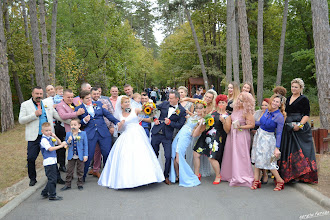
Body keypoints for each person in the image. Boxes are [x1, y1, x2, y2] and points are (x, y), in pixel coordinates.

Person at [98, 96, 164, 189]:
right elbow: (118, 128)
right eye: (125, 102)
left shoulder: (134, 110)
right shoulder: (120, 114)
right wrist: (120, 125)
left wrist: (153, 115)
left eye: (128, 102)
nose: (128, 103)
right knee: (127, 155)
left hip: (138, 133)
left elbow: (149, 116)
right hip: (127, 134)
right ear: (121, 105)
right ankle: (128, 179)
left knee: (141, 154)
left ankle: (146, 177)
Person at [19, 86, 68, 186]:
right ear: (32, 94)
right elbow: (21, 120)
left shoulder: (47, 103)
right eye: (37, 94)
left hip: (48, 136)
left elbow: (57, 115)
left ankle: (57, 177)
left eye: (40, 94)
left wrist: (71, 121)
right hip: (34, 137)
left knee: (53, 157)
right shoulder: (25, 105)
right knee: (31, 158)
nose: (39, 96)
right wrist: (34, 114)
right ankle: (32, 178)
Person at [75, 90, 124, 181]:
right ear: (81, 99)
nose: (89, 99)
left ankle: (108, 174)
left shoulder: (99, 104)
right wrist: (84, 121)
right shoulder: (79, 109)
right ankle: (82, 177)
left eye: (89, 97)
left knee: (107, 153)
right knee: (88, 155)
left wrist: (117, 122)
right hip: (90, 134)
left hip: (103, 132)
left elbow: (108, 115)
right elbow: (77, 124)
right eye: (86, 98)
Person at [278, 78, 318, 183]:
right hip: (288, 128)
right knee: (289, 150)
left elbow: (306, 115)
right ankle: (290, 175)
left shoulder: (304, 99)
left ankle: (303, 176)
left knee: (301, 151)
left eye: (296, 87)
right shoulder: (287, 98)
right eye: (292, 86)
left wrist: (299, 125)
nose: (293, 89)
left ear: (301, 88)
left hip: (299, 129)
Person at [251, 94, 286, 191]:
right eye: (274, 101)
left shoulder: (280, 117)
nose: (275, 103)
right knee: (257, 158)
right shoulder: (267, 111)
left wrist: (277, 148)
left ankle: (280, 181)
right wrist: (249, 123)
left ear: (280, 104)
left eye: (277, 102)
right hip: (259, 136)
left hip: (269, 139)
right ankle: (256, 180)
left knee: (270, 161)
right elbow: (260, 123)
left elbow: (279, 133)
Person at [151, 91, 186, 185]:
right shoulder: (165, 104)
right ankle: (153, 175)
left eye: (171, 98)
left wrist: (170, 123)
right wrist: (154, 119)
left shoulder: (182, 110)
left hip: (167, 136)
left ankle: (166, 176)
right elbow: (152, 109)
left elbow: (180, 125)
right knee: (154, 154)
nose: (169, 100)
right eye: (169, 98)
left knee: (168, 156)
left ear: (177, 99)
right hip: (156, 133)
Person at [221, 92, 255, 187]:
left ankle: (242, 175)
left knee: (241, 155)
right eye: (239, 99)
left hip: (241, 135)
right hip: (232, 134)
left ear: (246, 102)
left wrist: (241, 127)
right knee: (231, 153)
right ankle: (230, 174)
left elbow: (252, 125)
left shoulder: (246, 111)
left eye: (242, 101)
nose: (239, 102)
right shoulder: (235, 109)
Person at [169, 101, 206, 187]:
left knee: (179, 158)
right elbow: (190, 118)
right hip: (180, 134)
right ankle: (178, 176)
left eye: (201, 108)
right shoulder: (195, 116)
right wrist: (189, 115)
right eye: (197, 108)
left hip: (185, 137)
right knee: (173, 156)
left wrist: (200, 125)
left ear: (204, 109)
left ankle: (189, 176)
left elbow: (195, 134)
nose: (198, 109)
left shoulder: (203, 120)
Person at [193, 95, 228, 184]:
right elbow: (206, 119)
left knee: (211, 158)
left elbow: (227, 130)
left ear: (226, 104)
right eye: (219, 102)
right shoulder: (213, 112)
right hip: (206, 134)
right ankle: (197, 174)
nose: (220, 104)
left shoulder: (227, 115)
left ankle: (218, 175)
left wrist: (223, 121)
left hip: (215, 137)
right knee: (196, 153)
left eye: (222, 102)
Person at [39, 122, 67, 201]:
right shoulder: (44, 140)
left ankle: (45, 192)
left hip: (53, 161)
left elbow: (59, 142)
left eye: (49, 130)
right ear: (42, 131)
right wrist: (60, 146)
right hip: (48, 162)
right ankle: (52, 195)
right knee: (52, 179)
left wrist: (55, 136)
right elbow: (50, 148)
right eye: (46, 131)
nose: (48, 132)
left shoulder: (50, 138)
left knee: (52, 178)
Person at [61, 119, 88, 191]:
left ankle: (80, 183)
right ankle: (67, 184)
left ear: (79, 126)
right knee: (69, 170)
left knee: (80, 170)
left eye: (75, 125)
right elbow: (67, 145)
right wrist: (68, 141)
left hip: (80, 155)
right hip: (71, 155)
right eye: (72, 125)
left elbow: (85, 145)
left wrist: (85, 155)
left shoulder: (83, 134)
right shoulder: (68, 134)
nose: (73, 126)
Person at [252, 98, 270, 184]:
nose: (263, 107)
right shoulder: (257, 112)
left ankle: (265, 174)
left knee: (263, 156)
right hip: (255, 136)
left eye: (266, 105)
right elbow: (251, 121)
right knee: (257, 156)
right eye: (262, 105)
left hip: (265, 137)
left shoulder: (270, 114)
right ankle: (257, 175)